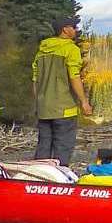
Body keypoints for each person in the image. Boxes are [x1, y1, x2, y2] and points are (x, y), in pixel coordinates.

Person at [31, 17, 92, 164]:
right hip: (65, 109)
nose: (76, 30)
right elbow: (74, 77)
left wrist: (39, 103)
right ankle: (59, 181)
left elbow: (35, 81)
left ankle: (39, 181)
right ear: (65, 29)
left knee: (43, 147)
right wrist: (84, 102)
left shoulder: (41, 52)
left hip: (44, 109)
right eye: (73, 27)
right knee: (62, 149)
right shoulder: (71, 49)